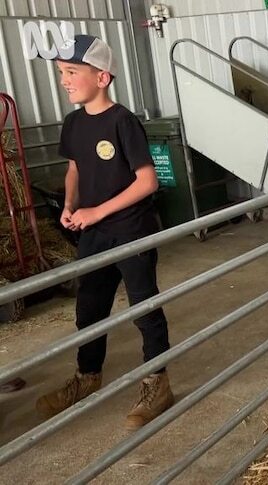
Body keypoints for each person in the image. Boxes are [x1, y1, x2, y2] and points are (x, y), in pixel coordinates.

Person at [35, 34, 174, 431]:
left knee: (143, 307)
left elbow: (147, 181)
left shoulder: (122, 121)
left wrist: (97, 211)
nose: (64, 80)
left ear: (102, 77)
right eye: (61, 72)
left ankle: (157, 383)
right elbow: (75, 168)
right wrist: (69, 204)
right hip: (94, 232)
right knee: (89, 309)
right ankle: (87, 376)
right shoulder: (73, 123)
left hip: (130, 228)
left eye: (72, 72)